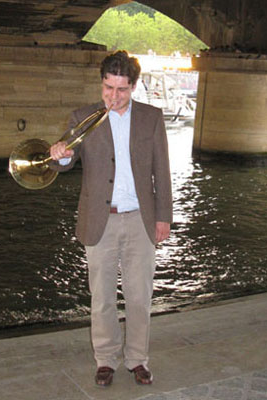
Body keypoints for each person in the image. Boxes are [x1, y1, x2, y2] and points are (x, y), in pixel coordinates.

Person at [50, 50, 173, 387]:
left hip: (140, 220)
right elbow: (65, 163)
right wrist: (59, 154)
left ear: (133, 86)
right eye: (108, 88)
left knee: (139, 296)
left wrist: (164, 217)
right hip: (99, 220)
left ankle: (137, 360)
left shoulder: (151, 117)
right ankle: (105, 360)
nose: (113, 97)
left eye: (121, 90)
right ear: (102, 83)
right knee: (102, 297)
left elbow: (162, 172)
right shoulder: (83, 117)